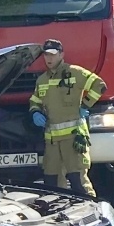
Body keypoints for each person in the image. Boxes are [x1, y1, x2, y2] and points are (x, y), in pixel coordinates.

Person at [29, 38, 104, 197]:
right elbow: (35, 101)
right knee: (52, 184)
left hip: (73, 139)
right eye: (46, 55)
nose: (48, 58)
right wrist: (35, 112)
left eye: (52, 54)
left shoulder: (74, 72)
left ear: (61, 55)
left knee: (79, 182)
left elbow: (99, 85)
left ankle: (94, 208)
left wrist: (85, 105)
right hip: (52, 142)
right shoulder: (42, 80)